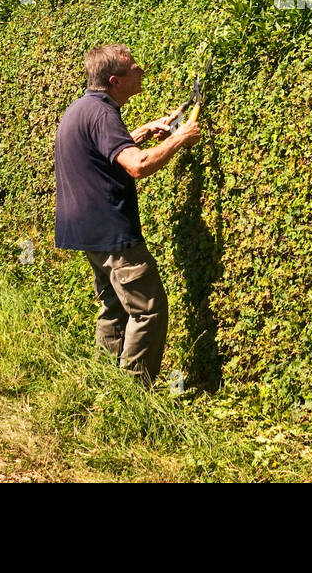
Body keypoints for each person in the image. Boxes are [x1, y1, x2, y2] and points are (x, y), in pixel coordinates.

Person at [53, 43, 200, 385]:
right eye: (134, 68)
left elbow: (108, 150)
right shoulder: (104, 113)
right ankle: (133, 393)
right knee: (149, 310)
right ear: (115, 80)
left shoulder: (83, 108)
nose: (141, 71)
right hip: (112, 233)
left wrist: (144, 132)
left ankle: (106, 383)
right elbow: (137, 165)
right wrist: (180, 139)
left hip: (87, 232)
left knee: (114, 308)